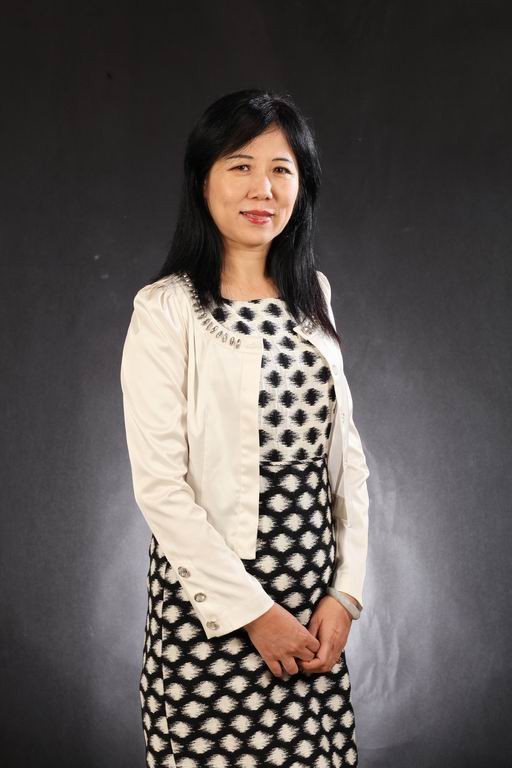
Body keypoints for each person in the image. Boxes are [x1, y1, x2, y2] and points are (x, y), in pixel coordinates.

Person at [120, 88, 370, 768]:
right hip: (214, 607)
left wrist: (346, 593)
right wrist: (255, 615)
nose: (263, 188)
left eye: (282, 170)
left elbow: (346, 459)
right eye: (240, 166)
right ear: (202, 180)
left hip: (313, 600)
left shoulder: (314, 296)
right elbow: (161, 487)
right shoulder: (166, 310)